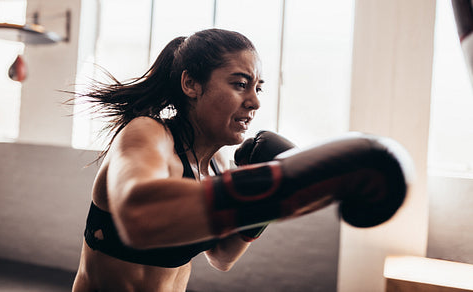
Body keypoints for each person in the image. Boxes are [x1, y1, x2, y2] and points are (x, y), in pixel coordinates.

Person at [72, 28, 412, 292]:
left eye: (258, 88)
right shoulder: (147, 133)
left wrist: (264, 198)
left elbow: (221, 257)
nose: (254, 102)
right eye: (240, 84)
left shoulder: (219, 163)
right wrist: (289, 181)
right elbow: (140, 217)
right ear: (191, 84)